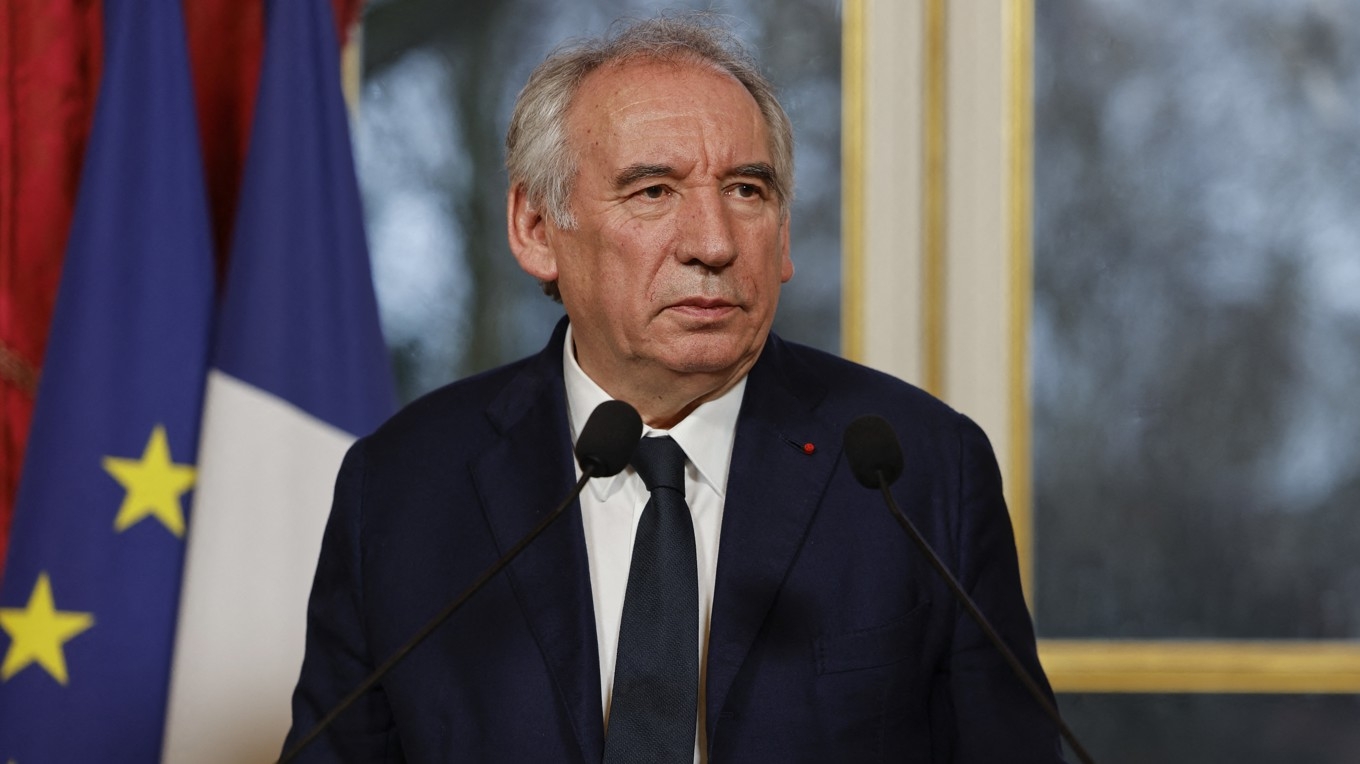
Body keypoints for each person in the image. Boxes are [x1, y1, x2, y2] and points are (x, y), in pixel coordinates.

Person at [284, 14, 1065, 763]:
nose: (715, 243)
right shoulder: (404, 489)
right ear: (535, 229)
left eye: (748, 191)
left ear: (784, 236)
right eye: (654, 191)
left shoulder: (917, 471)